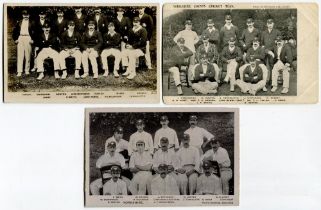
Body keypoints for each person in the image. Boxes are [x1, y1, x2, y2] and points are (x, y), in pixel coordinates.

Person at [173, 20, 199, 85]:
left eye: (190, 25)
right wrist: (180, 45)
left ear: (191, 25)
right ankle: (183, 81)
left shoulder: (194, 33)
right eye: (187, 25)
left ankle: (190, 80)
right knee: (183, 66)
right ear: (185, 25)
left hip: (192, 51)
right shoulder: (182, 32)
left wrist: (193, 43)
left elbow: (197, 39)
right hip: (185, 52)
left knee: (192, 65)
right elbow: (175, 39)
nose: (189, 26)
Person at [12, 9, 35, 77]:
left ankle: (27, 70)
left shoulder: (32, 22)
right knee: (20, 55)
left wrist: (33, 39)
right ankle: (19, 71)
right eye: (24, 15)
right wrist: (15, 39)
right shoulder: (19, 22)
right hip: (20, 38)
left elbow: (35, 32)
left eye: (27, 15)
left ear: (29, 15)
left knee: (28, 55)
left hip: (28, 38)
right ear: (22, 15)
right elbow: (15, 32)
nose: (26, 16)